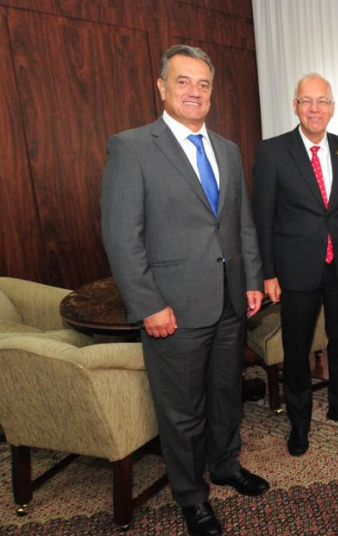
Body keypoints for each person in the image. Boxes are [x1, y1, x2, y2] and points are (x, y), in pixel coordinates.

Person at [101, 45, 269, 536]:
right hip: (172, 307)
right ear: (161, 87)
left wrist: (253, 280)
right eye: (183, 82)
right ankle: (191, 497)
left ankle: (225, 466)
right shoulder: (132, 147)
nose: (194, 92)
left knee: (225, 395)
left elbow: (242, 225)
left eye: (203, 84)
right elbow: (121, 237)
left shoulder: (229, 149)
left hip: (229, 301)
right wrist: (148, 304)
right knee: (181, 410)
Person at [253, 74, 338, 457]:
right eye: (307, 101)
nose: (315, 109)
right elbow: (263, 218)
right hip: (295, 271)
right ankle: (299, 422)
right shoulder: (273, 152)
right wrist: (267, 273)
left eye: (323, 101)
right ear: (295, 106)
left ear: (333, 108)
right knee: (297, 348)